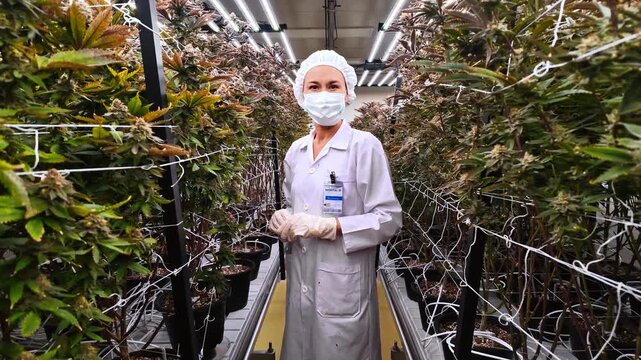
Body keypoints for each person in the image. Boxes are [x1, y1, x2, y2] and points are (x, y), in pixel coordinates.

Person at [268, 50, 402, 360]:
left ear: (347, 94)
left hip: (343, 281)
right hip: (302, 274)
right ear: (302, 94)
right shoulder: (296, 151)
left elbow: (389, 218)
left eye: (333, 85)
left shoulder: (364, 146)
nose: (323, 94)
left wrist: (334, 226)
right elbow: (296, 202)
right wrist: (284, 216)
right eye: (314, 86)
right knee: (301, 347)